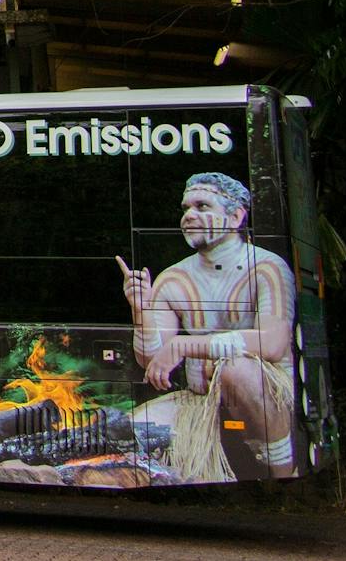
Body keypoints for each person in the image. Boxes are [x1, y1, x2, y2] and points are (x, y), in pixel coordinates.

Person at [116, 171, 296, 481]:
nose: (189, 216)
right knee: (128, 433)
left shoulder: (268, 268)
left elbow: (273, 343)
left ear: (236, 216)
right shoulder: (173, 278)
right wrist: (141, 311)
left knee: (234, 369)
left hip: (267, 400)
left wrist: (188, 345)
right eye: (186, 208)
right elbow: (151, 360)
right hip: (199, 403)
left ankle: (282, 473)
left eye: (202, 206)